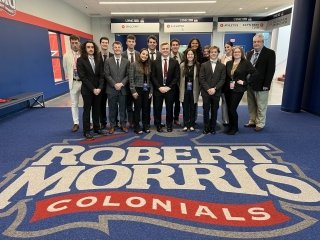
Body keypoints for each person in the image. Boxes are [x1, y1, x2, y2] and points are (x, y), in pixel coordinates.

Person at [245, 33, 276, 132]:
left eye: (258, 41)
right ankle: (252, 121)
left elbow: (271, 70)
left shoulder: (270, 53)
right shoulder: (249, 53)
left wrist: (267, 84)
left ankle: (260, 123)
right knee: (251, 104)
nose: (256, 43)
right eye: (254, 42)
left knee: (261, 105)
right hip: (250, 84)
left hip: (262, 85)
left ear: (263, 42)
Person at [224, 46, 256, 135]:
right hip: (228, 89)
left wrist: (245, 82)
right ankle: (230, 126)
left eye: (238, 52)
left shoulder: (245, 63)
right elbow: (227, 76)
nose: (236, 53)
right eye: (234, 52)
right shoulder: (229, 63)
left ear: (241, 53)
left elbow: (255, 73)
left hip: (238, 89)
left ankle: (235, 128)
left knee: (232, 109)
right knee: (229, 109)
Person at [77, 40, 104, 140]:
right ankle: (87, 131)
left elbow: (102, 75)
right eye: (88, 47)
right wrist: (93, 89)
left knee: (97, 110)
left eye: (92, 47)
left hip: (98, 90)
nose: (90, 49)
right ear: (85, 49)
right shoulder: (80, 60)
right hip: (87, 91)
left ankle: (97, 128)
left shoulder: (98, 59)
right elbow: (83, 77)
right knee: (87, 111)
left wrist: (100, 88)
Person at [151, 42, 180, 133]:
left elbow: (176, 77)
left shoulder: (174, 62)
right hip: (158, 89)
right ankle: (158, 124)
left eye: (167, 48)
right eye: (163, 49)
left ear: (169, 49)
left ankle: (169, 125)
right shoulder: (155, 62)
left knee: (169, 108)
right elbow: (153, 76)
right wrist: (159, 87)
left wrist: (169, 87)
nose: (165, 50)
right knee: (157, 108)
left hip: (170, 90)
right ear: (161, 50)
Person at [105, 41, 130, 134]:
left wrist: (121, 84)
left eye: (119, 47)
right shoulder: (108, 60)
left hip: (123, 89)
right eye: (115, 47)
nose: (117, 49)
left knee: (123, 108)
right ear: (113, 48)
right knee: (112, 108)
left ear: (122, 48)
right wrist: (114, 84)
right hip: (111, 89)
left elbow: (128, 75)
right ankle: (112, 125)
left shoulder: (126, 61)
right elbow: (107, 75)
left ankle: (123, 124)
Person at [199, 46, 226, 134]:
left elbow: (222, 79)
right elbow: (201, 78)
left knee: (215, 110)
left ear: (218, 53)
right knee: (206, 110)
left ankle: (213, 127)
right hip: (206, 92)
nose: (213, 53)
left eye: (215, 52)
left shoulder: (222, 66)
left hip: (216, 92)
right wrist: (208, 89)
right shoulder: (204, 65)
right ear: (209, 53)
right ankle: (206, 127)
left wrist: (215, 88)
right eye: (211, 52)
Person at [129, 48, 153, 134]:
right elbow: (131, 79)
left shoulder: (149, 65)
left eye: (146, 55)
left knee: (146, 109)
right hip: (137, 89)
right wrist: (133, 91)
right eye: (143, 54)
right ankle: (137, 126)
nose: (145, 56)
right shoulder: (133, 64)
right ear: (140, 54)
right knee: (137, 109)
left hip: (147, 89)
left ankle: (145, 125)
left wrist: (151, 91)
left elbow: (150, 80)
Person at [62, 35, 82, 132]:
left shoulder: (84, 54)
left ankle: (90, 121)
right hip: (74, 82)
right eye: (72, 43)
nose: (74, 45)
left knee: (88, 103)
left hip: (84, 82)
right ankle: (76, 123)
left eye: (76, 43)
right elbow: (65, 69)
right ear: (70, 43)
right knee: (74, 104)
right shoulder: (66, 56)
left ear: (79, 43)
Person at [179, 48, 200, 131]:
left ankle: (191, 124)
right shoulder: (182, 65)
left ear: (194, 55)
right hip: (184, 91)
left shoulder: (198, 65)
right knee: (185, 108)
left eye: (192, 54)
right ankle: (185, 124)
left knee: (193, 108)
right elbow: (179, 79)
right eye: (188, 54)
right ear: (186, 55)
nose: (190, 56)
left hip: (194, 91)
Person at [122, 34, 140, 128]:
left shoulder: (139, 54)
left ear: (135, 43)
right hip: (125, 84)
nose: (131, 43)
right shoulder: (122, 55)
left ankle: (136, 120)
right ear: (126, 42)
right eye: (129, 41)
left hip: (136, 84)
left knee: (137, 104)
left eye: (133, 41)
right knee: (128, 104)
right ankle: (130, 121)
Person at [98, 37, 114, 129]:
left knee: (113, 105)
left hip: (111, 84)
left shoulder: (112, 55)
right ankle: (103, 122)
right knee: (101, 104)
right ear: (100, 44)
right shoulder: (96, 55)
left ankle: (114, 121)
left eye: (106, 42)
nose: (105, 44)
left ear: (108, 44)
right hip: (101, 85)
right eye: (103, 42)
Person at [170, 39, 184, 126]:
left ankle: (176, 118)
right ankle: (170, 119)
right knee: (170, 102)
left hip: (180, 84)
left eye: (176, 45)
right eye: (173, 45)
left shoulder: (182, 56)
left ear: (179, 46)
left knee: (178, 102)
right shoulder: (167, 55)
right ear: (171, 46)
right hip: (170, 83)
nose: (175, 46)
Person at [220, 41, 234, 127]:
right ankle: (225, 120)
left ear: (232, 47)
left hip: (232, 82)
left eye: (228, 47)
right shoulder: (223, 57)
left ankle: (231, 119)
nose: (226, 49)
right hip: (223, 83)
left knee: (231, 102)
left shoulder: (235, 57)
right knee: (224, 101)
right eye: (225, 47)